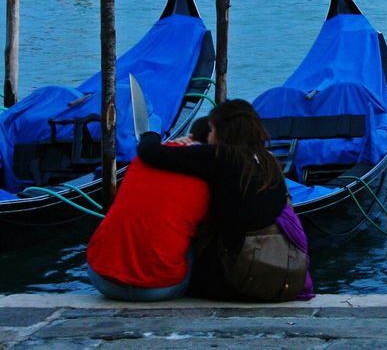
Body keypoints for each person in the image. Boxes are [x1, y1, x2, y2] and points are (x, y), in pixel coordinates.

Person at [136, 99, 309, 301]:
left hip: (241, 281)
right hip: (282, 273)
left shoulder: (221, 156)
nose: (208, 137)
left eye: (211, 130)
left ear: (222, 132)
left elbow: (149, 153)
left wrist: (152, 134)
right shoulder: (267, 160)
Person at [85, 118, 212, 302]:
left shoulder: (141, 160)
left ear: (190, 136)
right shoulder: (208, 173)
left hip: (102, 279)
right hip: (160, 289)